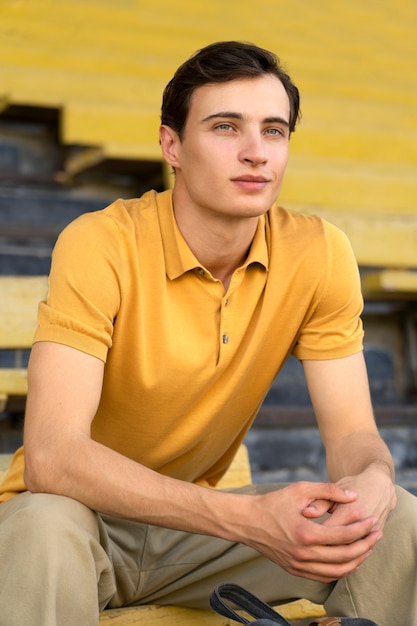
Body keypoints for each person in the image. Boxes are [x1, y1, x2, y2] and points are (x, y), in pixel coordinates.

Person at [0, 41, 415, 626]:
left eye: (274, 131)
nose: (255, 153)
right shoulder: (102, 243)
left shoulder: (320, 253)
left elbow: (353, 434)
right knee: (43, 529)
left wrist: (372, 481)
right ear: (172, 145)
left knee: (399, 523)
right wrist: (247, 520)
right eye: (226, 127)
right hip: (76, 520)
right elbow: (52, 457)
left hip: (190, 540)